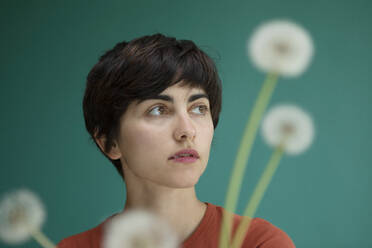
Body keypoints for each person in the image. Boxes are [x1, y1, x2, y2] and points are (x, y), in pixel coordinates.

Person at [57, 33, 295, 248]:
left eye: (199, 108)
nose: (187, 130)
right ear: (109, 142)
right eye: (158, 110)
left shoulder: (258, 242)